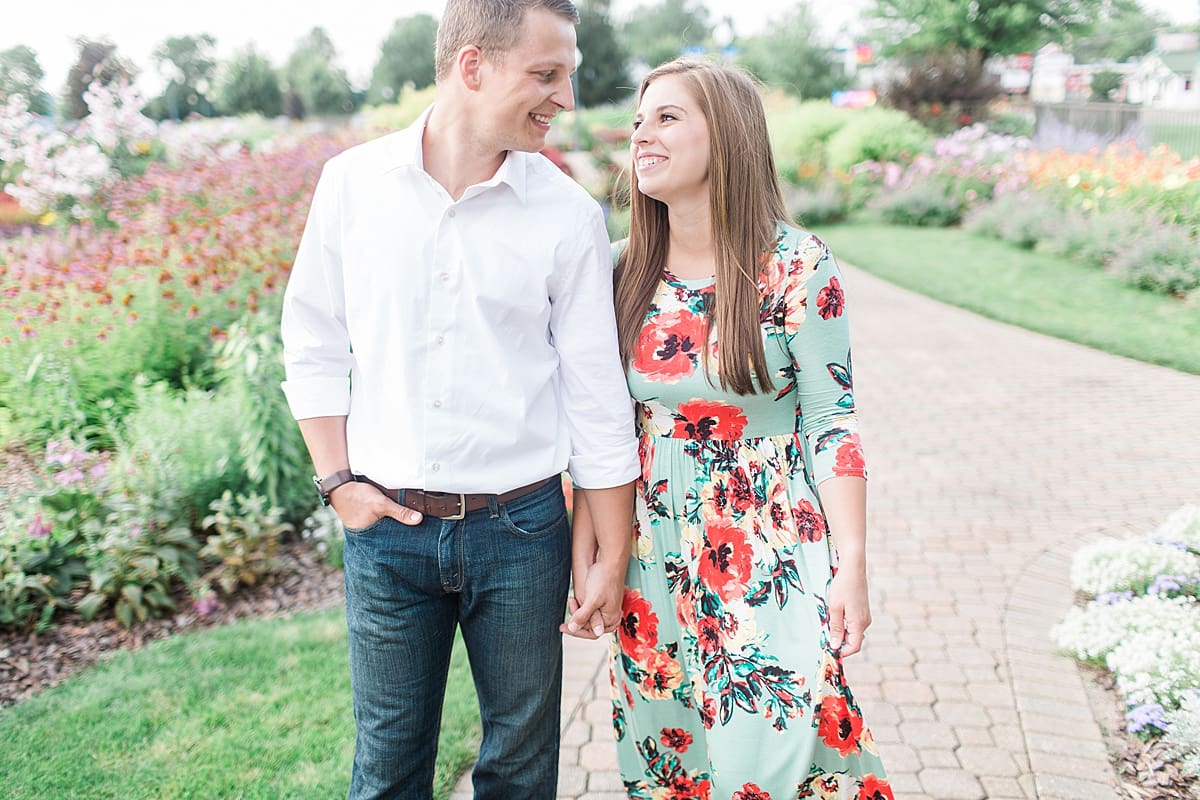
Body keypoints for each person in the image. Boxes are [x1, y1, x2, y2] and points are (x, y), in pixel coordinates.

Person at [279, 2, 638, 798]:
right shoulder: (353, 185)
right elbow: (310, 339)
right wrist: (337, 482)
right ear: (472, 66)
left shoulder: (568, 217)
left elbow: (595, 398)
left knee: (518, 768)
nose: (565, 99)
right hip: (387, 534)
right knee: (388, 766)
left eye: (567, 76)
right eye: (546, 75)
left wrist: (608, 552)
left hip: (522, 533)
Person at [566, 59, 893, 798]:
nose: (642, 134)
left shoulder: (795, 267)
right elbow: (600, 424)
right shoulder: (621, 271)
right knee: (671, 756)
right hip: (652, 549)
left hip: (767, 546)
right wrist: (590, 548)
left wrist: (854, 563)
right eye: (640, 119)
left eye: (669, 117)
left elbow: (832, 421)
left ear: (731, 135)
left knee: (777, 750)